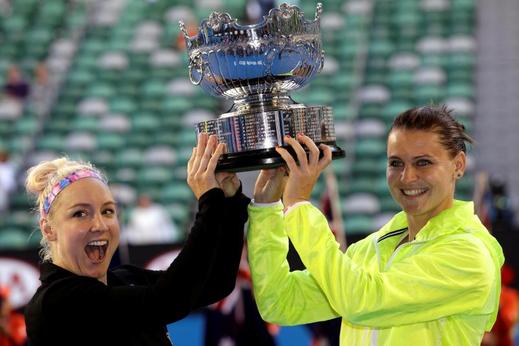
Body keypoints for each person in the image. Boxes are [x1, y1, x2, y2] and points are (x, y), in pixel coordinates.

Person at [247, 105, 505, 345]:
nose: (407, 177)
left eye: (423, 162)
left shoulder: (469, 255)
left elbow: (360, 301)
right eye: (396, 163)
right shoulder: (372, 249)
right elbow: (280, 302)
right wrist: (266, 207)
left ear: (458, 165)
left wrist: (299, 206)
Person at [24, 133, 250, 345]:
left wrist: (230, 201)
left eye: (108, 211)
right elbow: (169, 300)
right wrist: (209, 201)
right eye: (80, 213)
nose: (100, 225)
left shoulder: (124, 279)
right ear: (48, 229)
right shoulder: (54, 302)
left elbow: (215, 284)